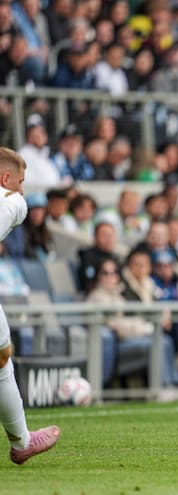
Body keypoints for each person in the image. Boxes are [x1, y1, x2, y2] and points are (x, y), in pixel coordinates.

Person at [0, 147, 59, 463]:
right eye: (20, 181)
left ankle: (22, 440)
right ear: (5, 178)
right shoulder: (13, 201)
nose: (22, 190)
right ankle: (22, 441)